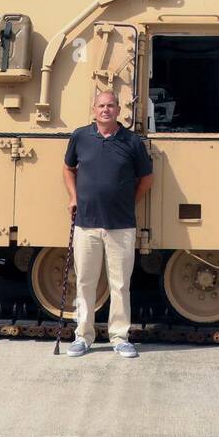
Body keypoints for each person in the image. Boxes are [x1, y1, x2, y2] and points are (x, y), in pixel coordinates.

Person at [62, 89, 153, 358]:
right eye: (101, 105)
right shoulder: (80, 137)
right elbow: (68, 168)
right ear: (94, 109)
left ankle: (120, 337)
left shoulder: (132, 141)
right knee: (85, 282)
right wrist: (73, 197)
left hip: (121, 225)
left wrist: (128, 201)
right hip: (86, 223)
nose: (106, 110)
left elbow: (147, 179)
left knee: (120, 284)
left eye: (111, 106)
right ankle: (82, 336)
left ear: (118, 110)